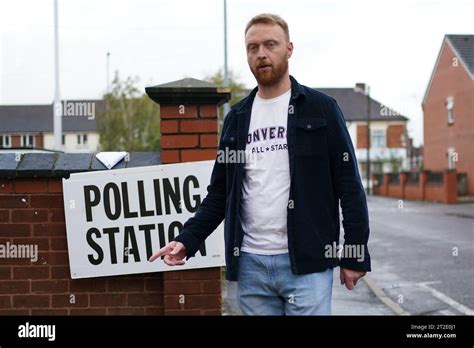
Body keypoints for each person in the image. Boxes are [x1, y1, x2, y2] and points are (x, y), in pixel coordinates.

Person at [149, 13, 371, 315]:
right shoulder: (237, 118)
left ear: (289, 49)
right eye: (253, 48)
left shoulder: (321, 109)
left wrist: (354, 254)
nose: (261, 54)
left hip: (308, 264)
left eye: (270, 45)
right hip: (250, 266)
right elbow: (219, 193)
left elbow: (349, 187)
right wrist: (187, 240)